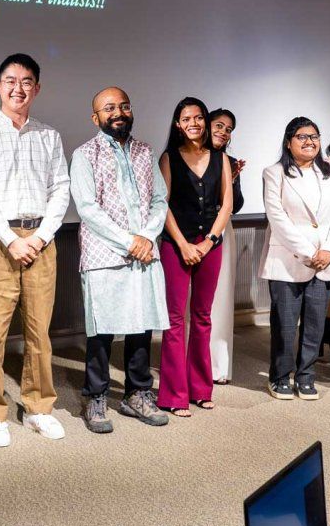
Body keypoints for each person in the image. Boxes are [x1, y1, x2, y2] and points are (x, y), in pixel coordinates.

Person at [0, 53, 70, 447]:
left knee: (40, 332)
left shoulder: (49, 136)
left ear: (36, 88)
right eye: (10, 80)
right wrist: (11, 239)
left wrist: (39, 237)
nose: (18, 88)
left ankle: (39, 408)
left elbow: (61, 188)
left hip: (41, 241)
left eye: (27, 81)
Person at [69, 87, 170, 433]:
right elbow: (87, 208)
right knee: (103, 330)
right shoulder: (85, 154)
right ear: (95, 117)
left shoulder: (145, 151)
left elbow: (160, 199)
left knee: (141, 326)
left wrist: (148, 236)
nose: (118, 112)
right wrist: (131, 241)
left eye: (124, 106)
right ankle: (95, 396)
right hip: (105, 254)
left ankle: (137, 393)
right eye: (109, 108)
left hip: (144, 252)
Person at [259, 117, 330, 400]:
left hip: (327, 258)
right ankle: (281, 376)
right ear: (289, 142)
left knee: (315, 324)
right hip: (288, 257)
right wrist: (310, 253)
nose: (309, 141)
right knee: (285, 325)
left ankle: (307, 376)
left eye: (314, 136)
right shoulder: (274, 173)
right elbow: (277, 218)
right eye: (301, 136)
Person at [156, 97, 234, 416]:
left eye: (198, 117)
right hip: (176, 245)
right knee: (175, 320)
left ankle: (201, 389)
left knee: (202, 317)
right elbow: (162, 205)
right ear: (177, 124)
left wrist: (209, 241)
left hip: (210, 245)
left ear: (205, 121)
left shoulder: (220, 158)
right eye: (186, 118)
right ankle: (174, 395)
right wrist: (184, 245)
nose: (193, 123)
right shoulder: (169, 158)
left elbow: (226, 203)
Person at [208, 108, 245, 385]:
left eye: (228, 128)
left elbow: (237, 205)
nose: (223, 131)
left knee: (220, 298)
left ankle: (218, 365)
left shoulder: (229, 161)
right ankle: (190, 360)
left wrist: (230, 183)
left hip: (222, 231)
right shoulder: (184, 154)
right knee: (189, 300)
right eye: (218, 125)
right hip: (191, 231)